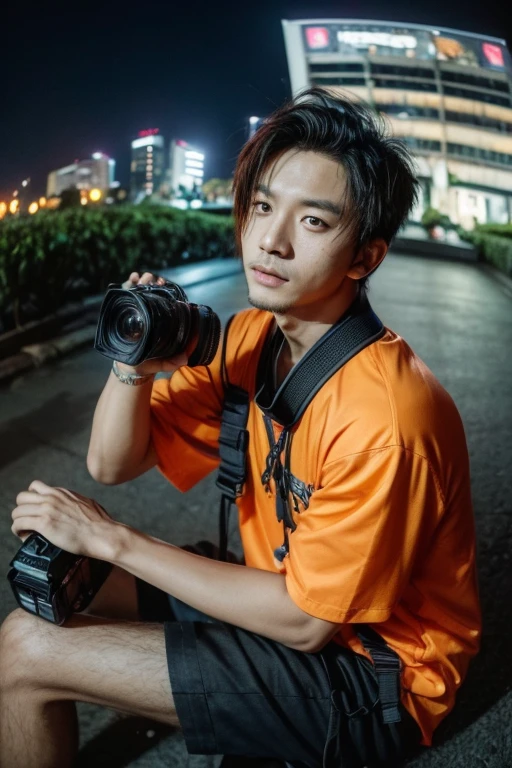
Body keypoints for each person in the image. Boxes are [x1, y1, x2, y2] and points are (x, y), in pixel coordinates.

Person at [0, 88, 481, 768]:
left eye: (313, 222)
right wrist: (134, 361)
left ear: (364, 257)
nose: (270, 240)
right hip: (279, 590)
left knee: (23, 649)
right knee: (59, 577)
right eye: (262, 205)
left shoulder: (388, 415)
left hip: (374, 677)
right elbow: (113, 462)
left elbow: (306, 623)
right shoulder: (253, 336)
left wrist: (115, 536)